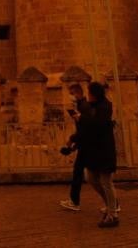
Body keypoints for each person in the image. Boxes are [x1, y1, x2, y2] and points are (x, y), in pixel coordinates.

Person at [80, 81, 120, 228]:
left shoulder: (104, 107)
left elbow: (99, 125)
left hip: (104, 151)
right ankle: (111, 205)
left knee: (106, 182)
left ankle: (112, 215)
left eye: (89, 93)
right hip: (94, 151)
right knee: (90, 178)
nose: (87, 95)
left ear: (95, 95)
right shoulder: (92, 107)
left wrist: (82, 119)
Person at [58, 83, 91, 212]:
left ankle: (74, 201)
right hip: (84, 145)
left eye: (71, 94)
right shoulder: (81, 106)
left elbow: (84, 129)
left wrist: (72, 140)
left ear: (78, 93)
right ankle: (74, 201)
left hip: (86, 146)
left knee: (95, 177)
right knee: (88, 175)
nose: (70, 97)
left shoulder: (83, 107)